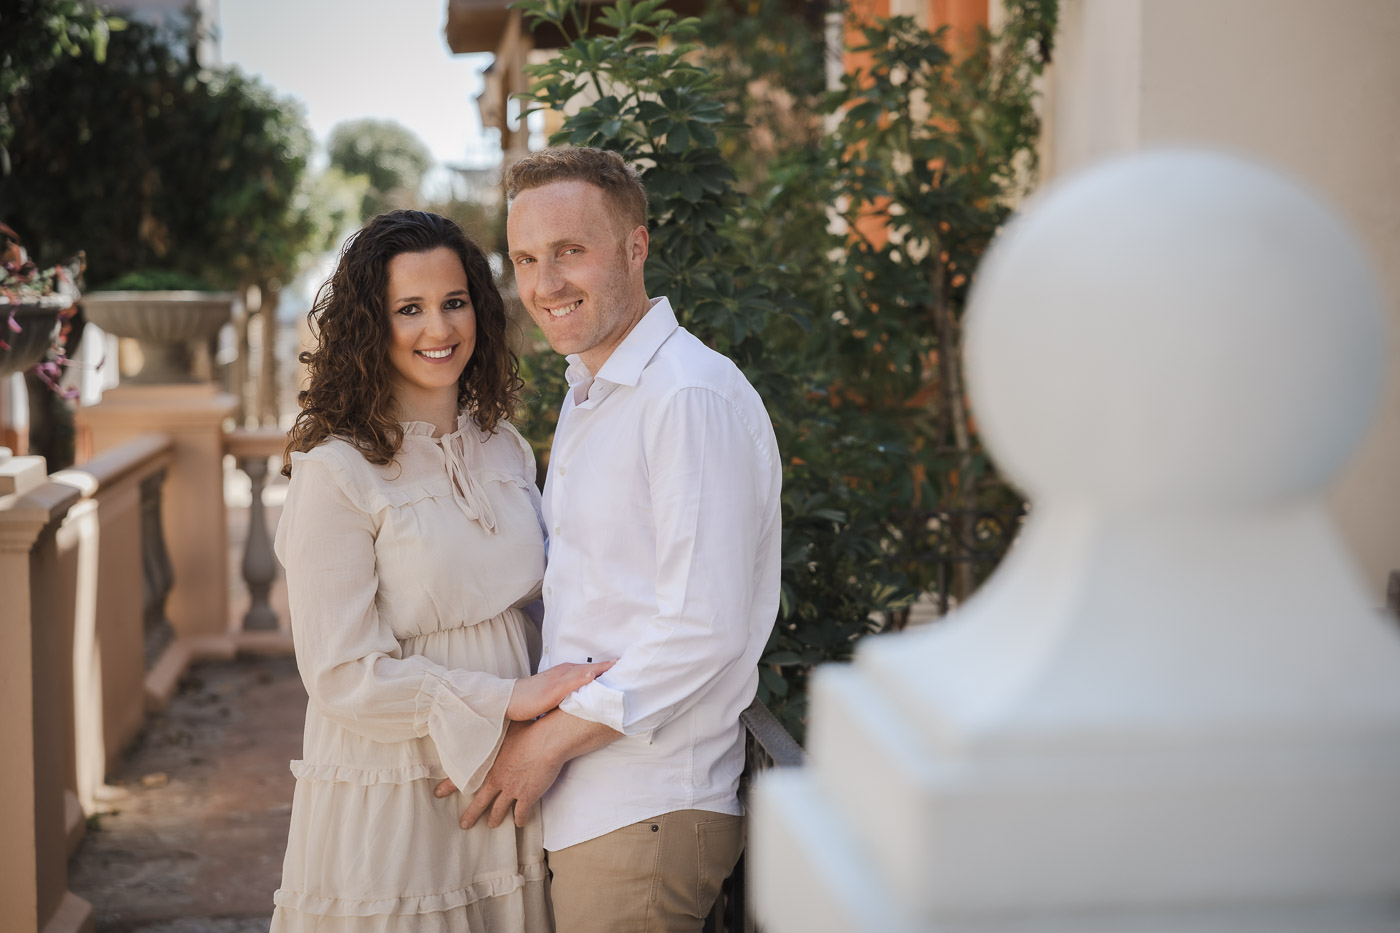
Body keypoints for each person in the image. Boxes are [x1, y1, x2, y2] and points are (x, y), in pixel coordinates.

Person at [438, 147, 782, 932]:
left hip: (648, 807)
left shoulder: (685, 397)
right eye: (526, 258)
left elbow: (705, 628)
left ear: (635, 246)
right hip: (601, 807)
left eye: (570, 252)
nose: (545, 284)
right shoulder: (594, 390)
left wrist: (545, 743)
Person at [272, 209, 611, 932]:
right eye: (410, 309)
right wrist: (505, 698)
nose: (440, 328)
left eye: (455, 302)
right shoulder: (335, 472)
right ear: (370, 324)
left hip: (514, 762)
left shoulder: (506, 447)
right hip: (400, 777)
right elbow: (340, 673)